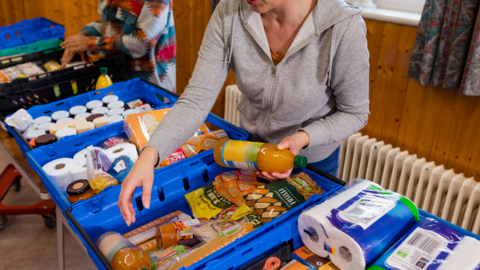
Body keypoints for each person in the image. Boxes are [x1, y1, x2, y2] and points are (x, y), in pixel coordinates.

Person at [119, 0, 370, 226]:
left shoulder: (343, 26)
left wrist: (302, 138)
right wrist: (149, 156)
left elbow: (354, 114)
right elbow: (196, 100)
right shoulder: (230, 11)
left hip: (312, 161)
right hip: (250, 151)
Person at [60, 0, 176, 92]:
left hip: (153, 85)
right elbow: (108, 27)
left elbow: (142, 43)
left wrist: (90, 43)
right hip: (119, 77)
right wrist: (83, 37)